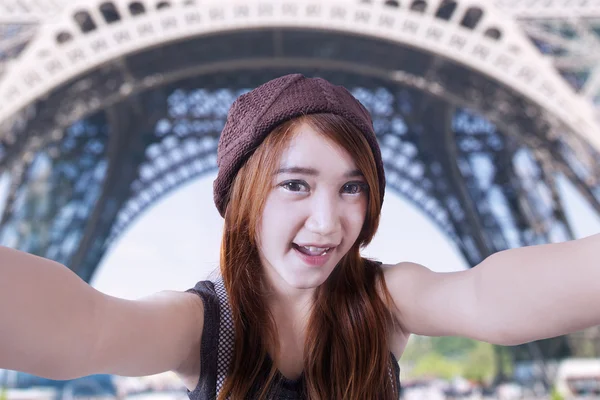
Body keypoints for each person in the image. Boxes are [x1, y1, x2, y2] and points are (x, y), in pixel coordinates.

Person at [0, 73, 599, 400]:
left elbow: (487, 298)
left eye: (352, 188)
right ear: (243, 198)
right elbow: (86, 328)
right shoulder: (200, 324)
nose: (328, 221)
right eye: (295, 185)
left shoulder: (386, 300)